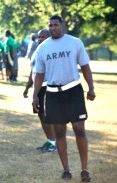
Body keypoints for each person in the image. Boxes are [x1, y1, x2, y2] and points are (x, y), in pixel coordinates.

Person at [32, 15, 96, 182]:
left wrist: (91, 88)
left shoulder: (75, 42)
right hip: (52, 93)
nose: (53, 28)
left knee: (79, 129)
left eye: (55, 25)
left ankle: (84, 169)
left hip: (73, 90)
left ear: (62, 25)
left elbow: (85, 66)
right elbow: (39, 75)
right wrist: (35, 96)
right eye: (50, 25)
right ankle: (66, 170)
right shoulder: (43, 48)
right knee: (60, 132)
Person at [23, 29, 56, 152]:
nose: (40, 39)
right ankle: (50, 141)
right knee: (41, 115)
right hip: (38, 87)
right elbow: (33, 71)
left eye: (43, 37)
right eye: (39, 37)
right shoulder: (37, 50)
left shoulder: (51, 50)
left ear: (49, 37)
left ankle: (53, 142)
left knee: (47, 116)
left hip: (47, 86)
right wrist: (27, 87)